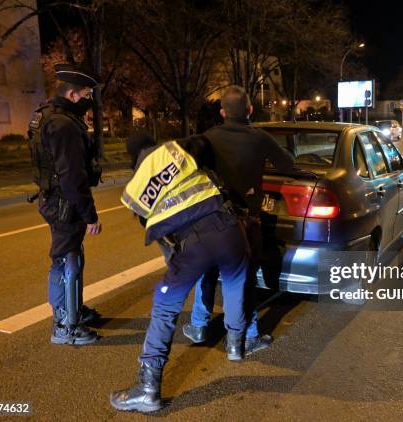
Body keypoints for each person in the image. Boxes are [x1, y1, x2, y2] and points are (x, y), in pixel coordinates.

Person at [110, 134, 249, 413]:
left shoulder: (135, 187)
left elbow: (160, 234)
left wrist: (179, 269)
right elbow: (204, 145)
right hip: (229, 227)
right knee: (235, 282)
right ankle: (236, 344)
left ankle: (148, 389)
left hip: (192, 244)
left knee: (164, 307)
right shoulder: (175, 149)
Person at [181, 85, 294, 355]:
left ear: (222, 112)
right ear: (250, 110)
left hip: (210, 220)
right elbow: (289, 165)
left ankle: (198, 325)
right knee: (243, 279)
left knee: (207, 271)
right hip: (246, 223)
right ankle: (247, 336)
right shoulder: (260, 138)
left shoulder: (208, 138)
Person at [28, 63, 103, 345]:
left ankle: (74, 311)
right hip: (64, 202)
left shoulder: (45, 116)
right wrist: (90, 214)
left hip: (54, 198)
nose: (89, 100)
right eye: (86, 95)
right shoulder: (63, 125)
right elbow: (72, 175)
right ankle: (64, 325)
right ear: (72, 95)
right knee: (66, 260)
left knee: (71, 256)